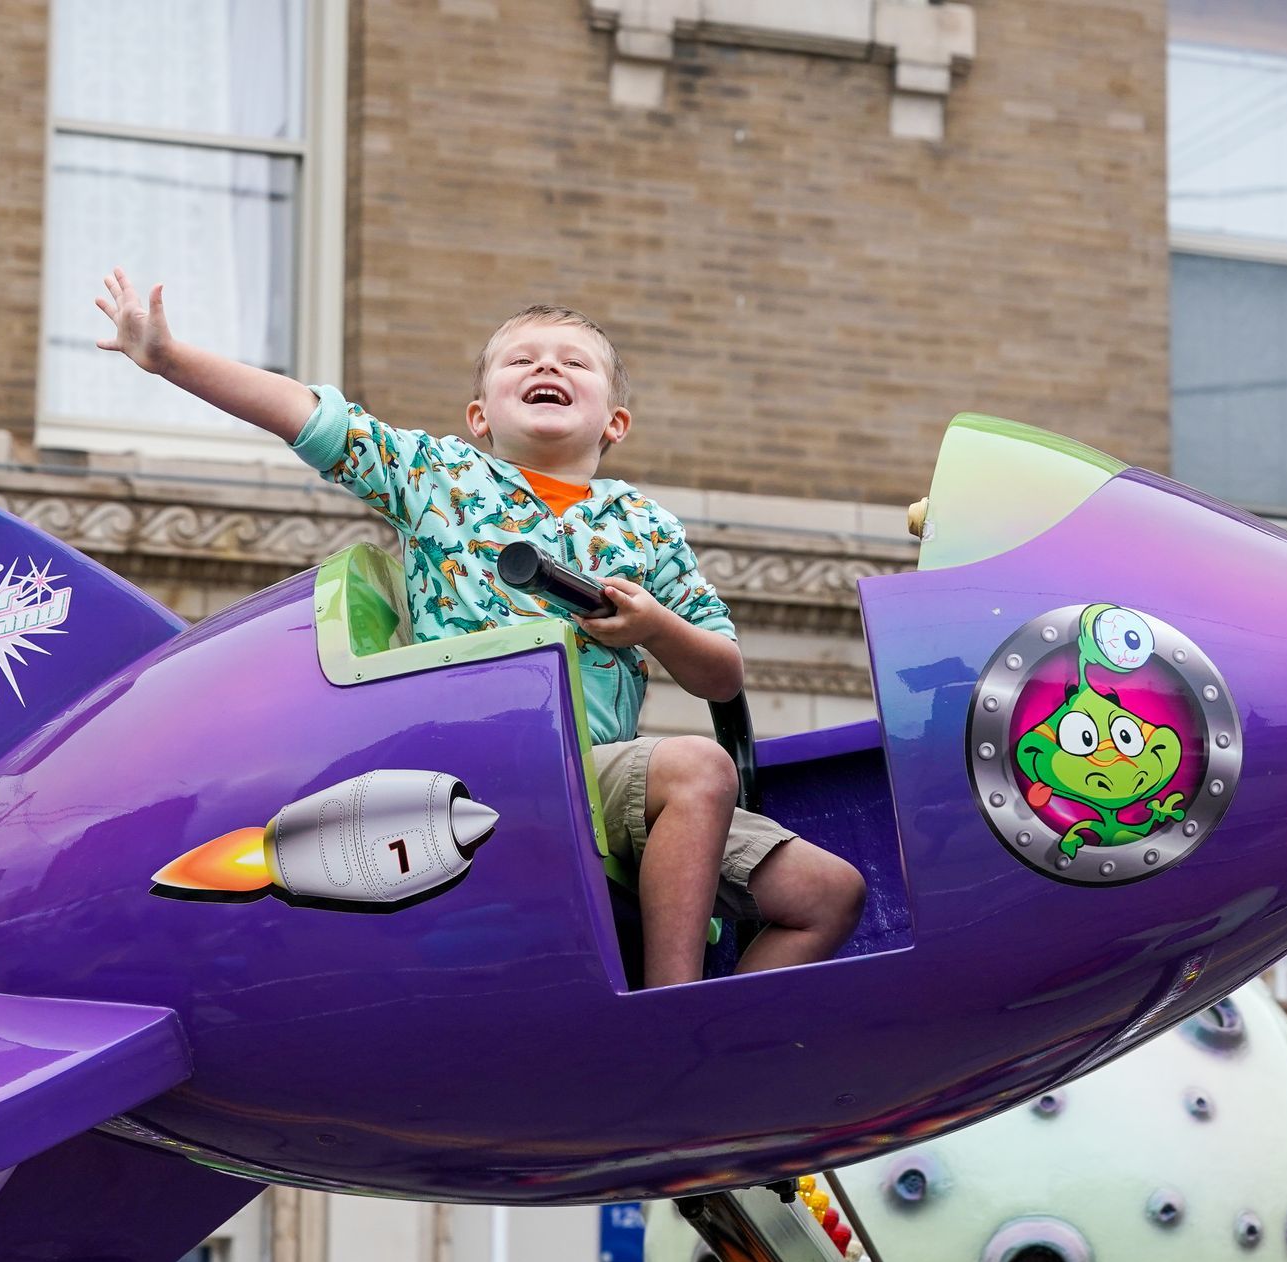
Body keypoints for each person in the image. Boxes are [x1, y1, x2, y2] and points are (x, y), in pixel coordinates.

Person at [95, 269, 865, 986]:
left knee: (830, 894)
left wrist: (654, 626)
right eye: (520, 360)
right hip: (493, 763)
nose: (547, 369)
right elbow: (305, 413)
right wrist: (167, 358)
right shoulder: (439, 478)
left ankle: (714, 1054)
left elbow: (721, 674)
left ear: (616, 421)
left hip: (608, 776)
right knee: (698, 767)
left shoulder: (645, 525)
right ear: (478, 418)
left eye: (574, 363)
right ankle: (673, 1013)